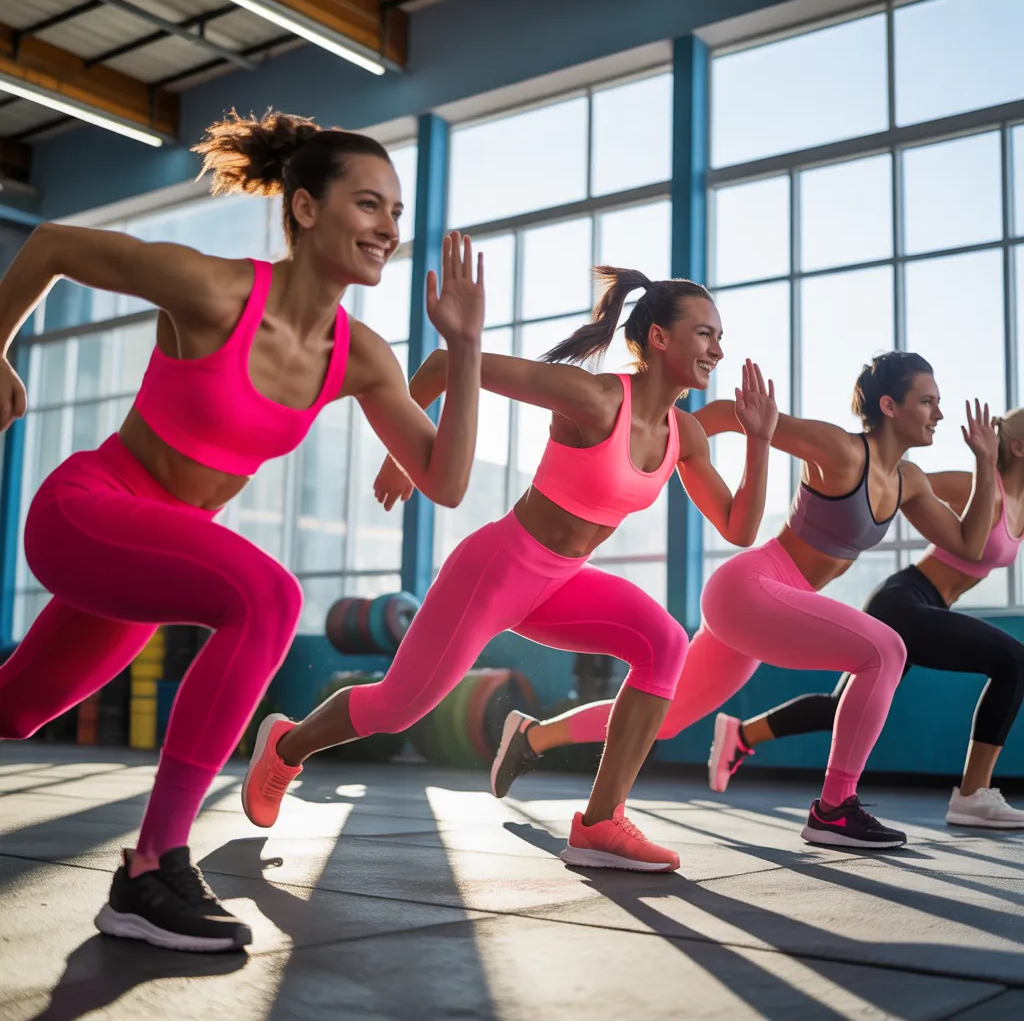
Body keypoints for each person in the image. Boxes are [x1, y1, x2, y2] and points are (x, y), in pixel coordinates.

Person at [0, 109, 485, 952]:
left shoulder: (359, 356)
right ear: (304, 209)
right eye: (369, 205)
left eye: (397, 214)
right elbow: (51, 245)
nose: (388, 230)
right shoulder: (214, 289)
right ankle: (150, 870)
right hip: (88, 511)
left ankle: (149, 866)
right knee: (267, 595)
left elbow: (442, 481)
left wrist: (467, 350)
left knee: (18, 709)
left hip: (157, 557)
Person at [242, 266, 778, 873]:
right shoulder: (594, 398)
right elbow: (447, 365)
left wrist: (758, 443)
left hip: (563, 581)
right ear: (659, 338)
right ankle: (286, 746)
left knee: (663, 642)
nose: (718, 350)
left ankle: (600, 823)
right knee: (397, 708)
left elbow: (738, 527)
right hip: (497, 570)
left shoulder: (684, 434)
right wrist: (407, 451)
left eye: (719, 337)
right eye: (705, 334)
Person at [491, 352, 998, 851]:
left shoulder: (910, 482)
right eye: (928, 401)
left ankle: (531, 738)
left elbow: (968, 545)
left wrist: (984, 462)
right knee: (886, 649)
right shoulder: (840, 449)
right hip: (749, 589)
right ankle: (834, 809)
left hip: (773, 605)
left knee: (664, 719)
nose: (939, 413)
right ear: (889, 406)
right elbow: (734, 418)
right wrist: (673, 445)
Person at [711, 408, 1024, 830]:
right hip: (905, 601)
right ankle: (972, 794)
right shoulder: (973, 484)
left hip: (930, 607)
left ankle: (741, 736)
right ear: (1019, 448)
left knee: (838, 709)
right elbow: (896, 486)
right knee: (1013, 660)